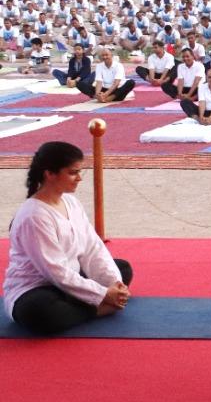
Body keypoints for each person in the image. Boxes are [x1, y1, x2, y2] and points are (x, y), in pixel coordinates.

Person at [4, 142, 133, 335]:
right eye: (73, 172)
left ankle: (88, 302)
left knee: (122, 269)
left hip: (69, 279)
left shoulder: (71, 203)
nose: (79, 178)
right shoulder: (34, 216)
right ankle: (96, 309)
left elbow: (93, 248)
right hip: (38, 289)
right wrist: (103, 294)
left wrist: (114, 284)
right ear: (50, 174)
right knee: (40, 311)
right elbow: (55, 272)